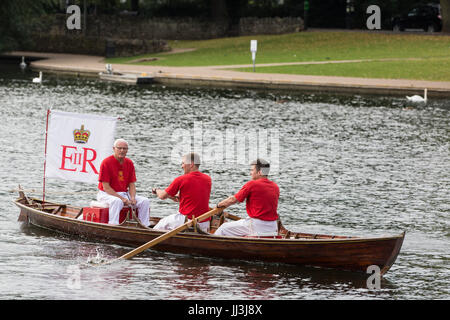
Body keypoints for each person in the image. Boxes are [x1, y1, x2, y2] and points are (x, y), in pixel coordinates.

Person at [214, 159, 279, 237]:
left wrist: (219, 205)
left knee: (223, 228)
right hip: (273, 226)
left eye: (252, 170)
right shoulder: (275, 186)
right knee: (241, 223)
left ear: (260, 172)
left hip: (256, 226)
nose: (250, 173)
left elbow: (233, 200)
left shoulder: (252, 184)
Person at [152, 152, 212, 233]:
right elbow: (188, 198)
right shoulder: (208, 179)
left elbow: (162, 196)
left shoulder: (181, 179)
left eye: (183, 163)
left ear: (191, 164)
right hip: (204, 223)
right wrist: (170, 196)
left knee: (159, 225)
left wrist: (156, 190)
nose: (182, 166)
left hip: (186, 220)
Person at [97, 138, 150, 227]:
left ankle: (144, 226)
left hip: (124, 194)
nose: (122, 150)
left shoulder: (129, 163)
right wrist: (122, 198)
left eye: (124, 148)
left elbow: (132, 185)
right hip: (106, 194)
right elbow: (106, 188)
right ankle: (113, 225)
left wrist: (132, 197)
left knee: (145, 201)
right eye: (119, 148)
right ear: (114, 149)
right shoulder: (106, 162)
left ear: (127, 150)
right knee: (117, 201)